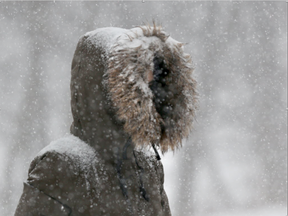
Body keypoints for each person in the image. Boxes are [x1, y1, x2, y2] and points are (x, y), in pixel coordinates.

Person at [15, 24, 197, 216]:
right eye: (140, 73)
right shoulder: (62, 163)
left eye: (155, 73)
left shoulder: (147, 163)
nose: (150, 81)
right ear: (104, 83)